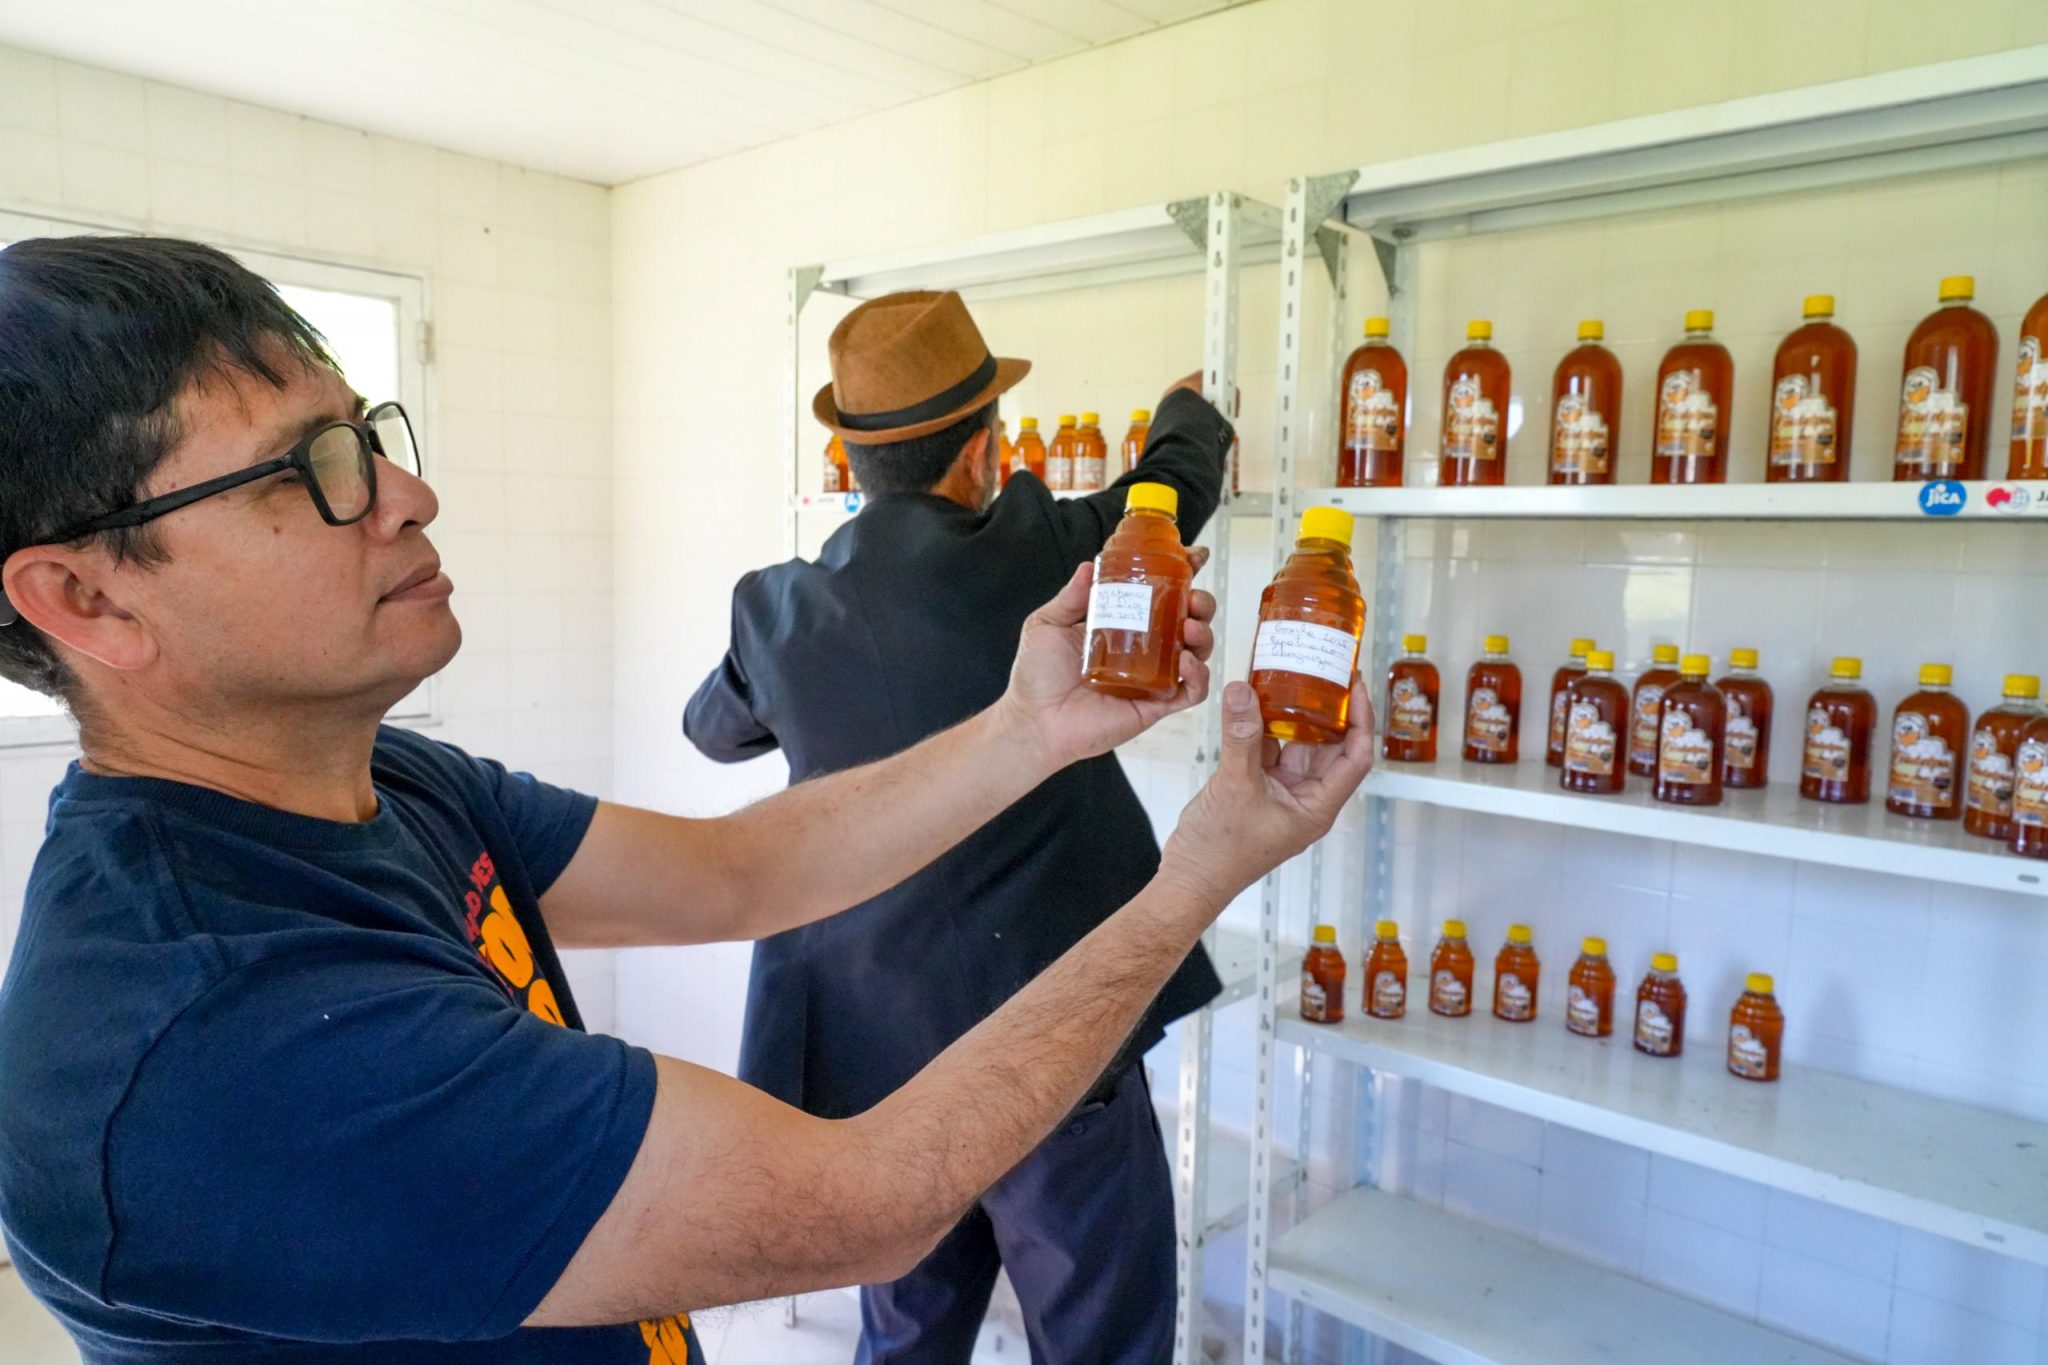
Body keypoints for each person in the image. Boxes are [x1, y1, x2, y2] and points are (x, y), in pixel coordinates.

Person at [0, 235, 1373, 1365]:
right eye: (314, 467)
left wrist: (1027, 727)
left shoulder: (388, 781)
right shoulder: (210, 1044)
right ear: (84, 596)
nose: (409, 494)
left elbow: (740, 869)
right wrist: (1199, 872)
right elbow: (872, 1206)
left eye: (370, 433)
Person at [685, 288, 1233, 1363]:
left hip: (880, 1063)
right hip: (1054, 1041)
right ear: (981, 451)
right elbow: (1174, 488)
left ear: (850, 459)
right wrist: (1188, 408)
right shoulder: (1050, 550)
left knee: (907, 1333)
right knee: (1100, 1339)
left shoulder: (775, 608)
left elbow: (713, 730)